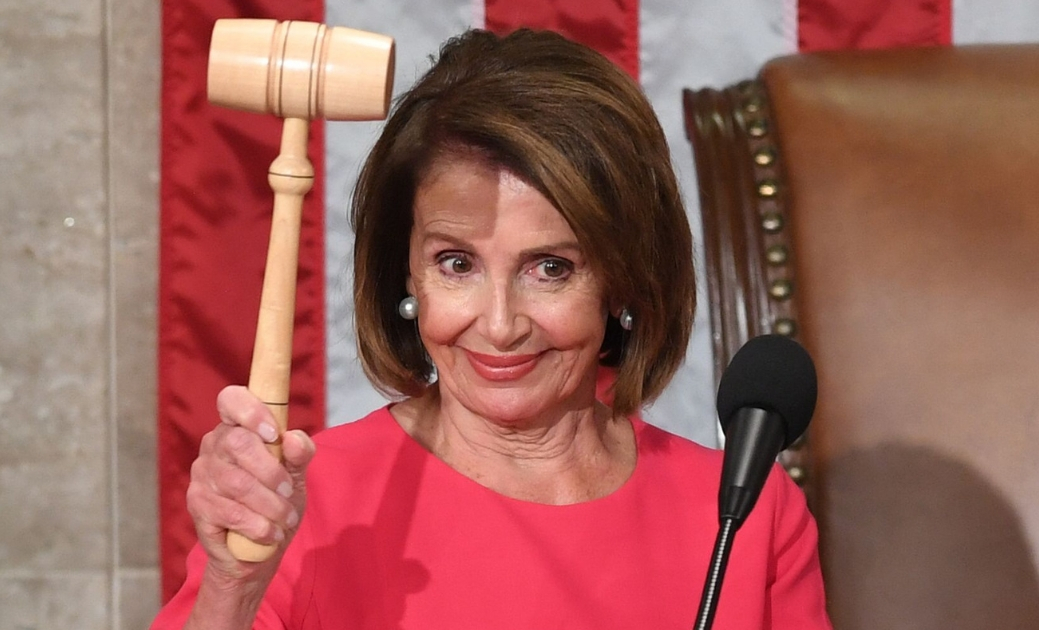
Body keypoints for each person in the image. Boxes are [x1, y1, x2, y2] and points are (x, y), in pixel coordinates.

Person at [153, 28, 831, 630]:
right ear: (407, 278)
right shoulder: (301, 503)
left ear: (625, 278)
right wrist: (234, 588)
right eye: (457, 264)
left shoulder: (748, 518)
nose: (500, 325)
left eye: (550, 268)